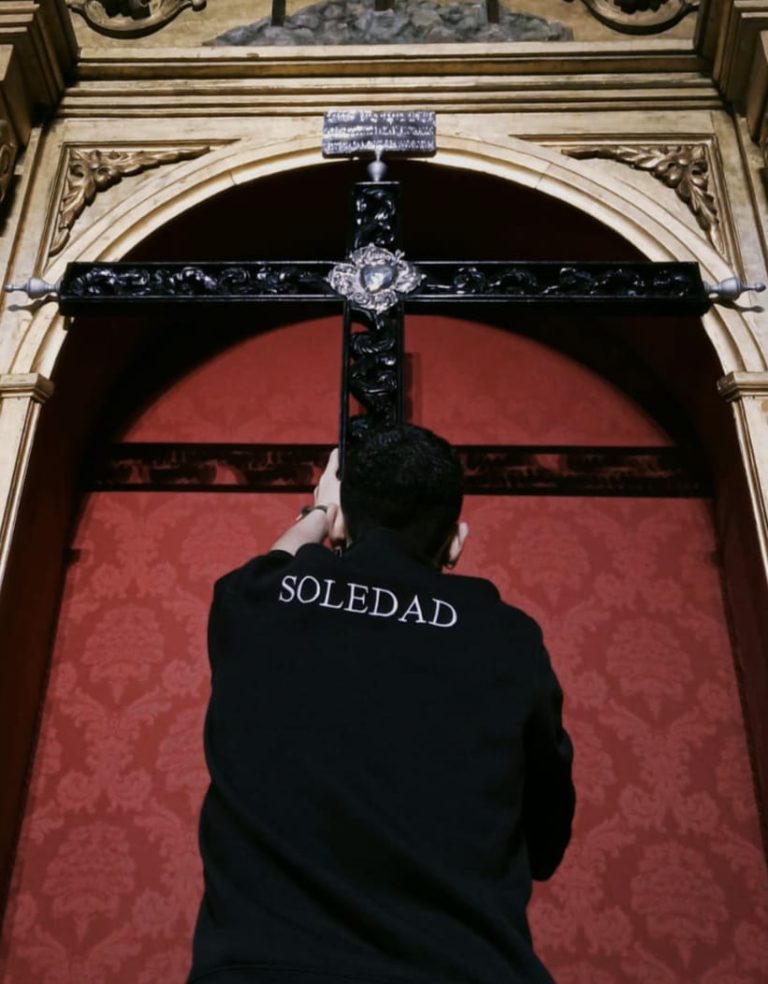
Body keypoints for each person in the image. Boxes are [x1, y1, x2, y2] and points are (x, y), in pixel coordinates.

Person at [188, 423, 575, 984]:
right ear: (456, 541)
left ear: (342, 520)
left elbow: (273, 567)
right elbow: (545, 842)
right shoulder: (509, 640)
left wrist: (318, 514)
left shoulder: (257, 601)